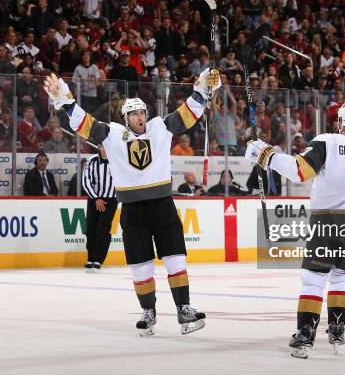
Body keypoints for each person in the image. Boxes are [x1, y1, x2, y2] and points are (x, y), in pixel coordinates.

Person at [43, 68, 221, 336]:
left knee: (175, 259)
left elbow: (187, 114)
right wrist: (65, 102)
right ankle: (148, 311)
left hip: (163, 206)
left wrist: (202, 91)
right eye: (134, 114)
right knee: (140, 264)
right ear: (125, 117)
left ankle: (184, 308)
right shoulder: (112, 133)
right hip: (133, 210)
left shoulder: (160, 127)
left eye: (142, 113)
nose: (139, 117)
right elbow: (86, 124)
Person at [245, 100, 345, 358]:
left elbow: (299, 171)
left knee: (314, 278)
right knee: (342, 276)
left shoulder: (328, 142)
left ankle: (306, 333)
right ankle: (337, 328)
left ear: (341, 121)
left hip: (329, 221)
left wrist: (266, 155)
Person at [82, 144, 117, 272]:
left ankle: (98, 259)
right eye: (102, 146)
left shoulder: (117, 160)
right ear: (98, 147)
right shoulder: (92, 161)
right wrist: (96, 198)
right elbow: (86, 181)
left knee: (103, 229)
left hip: (111, 200)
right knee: (91, 229)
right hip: (94, 199)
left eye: (107, 146)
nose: (105, 149)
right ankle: (90, 257)